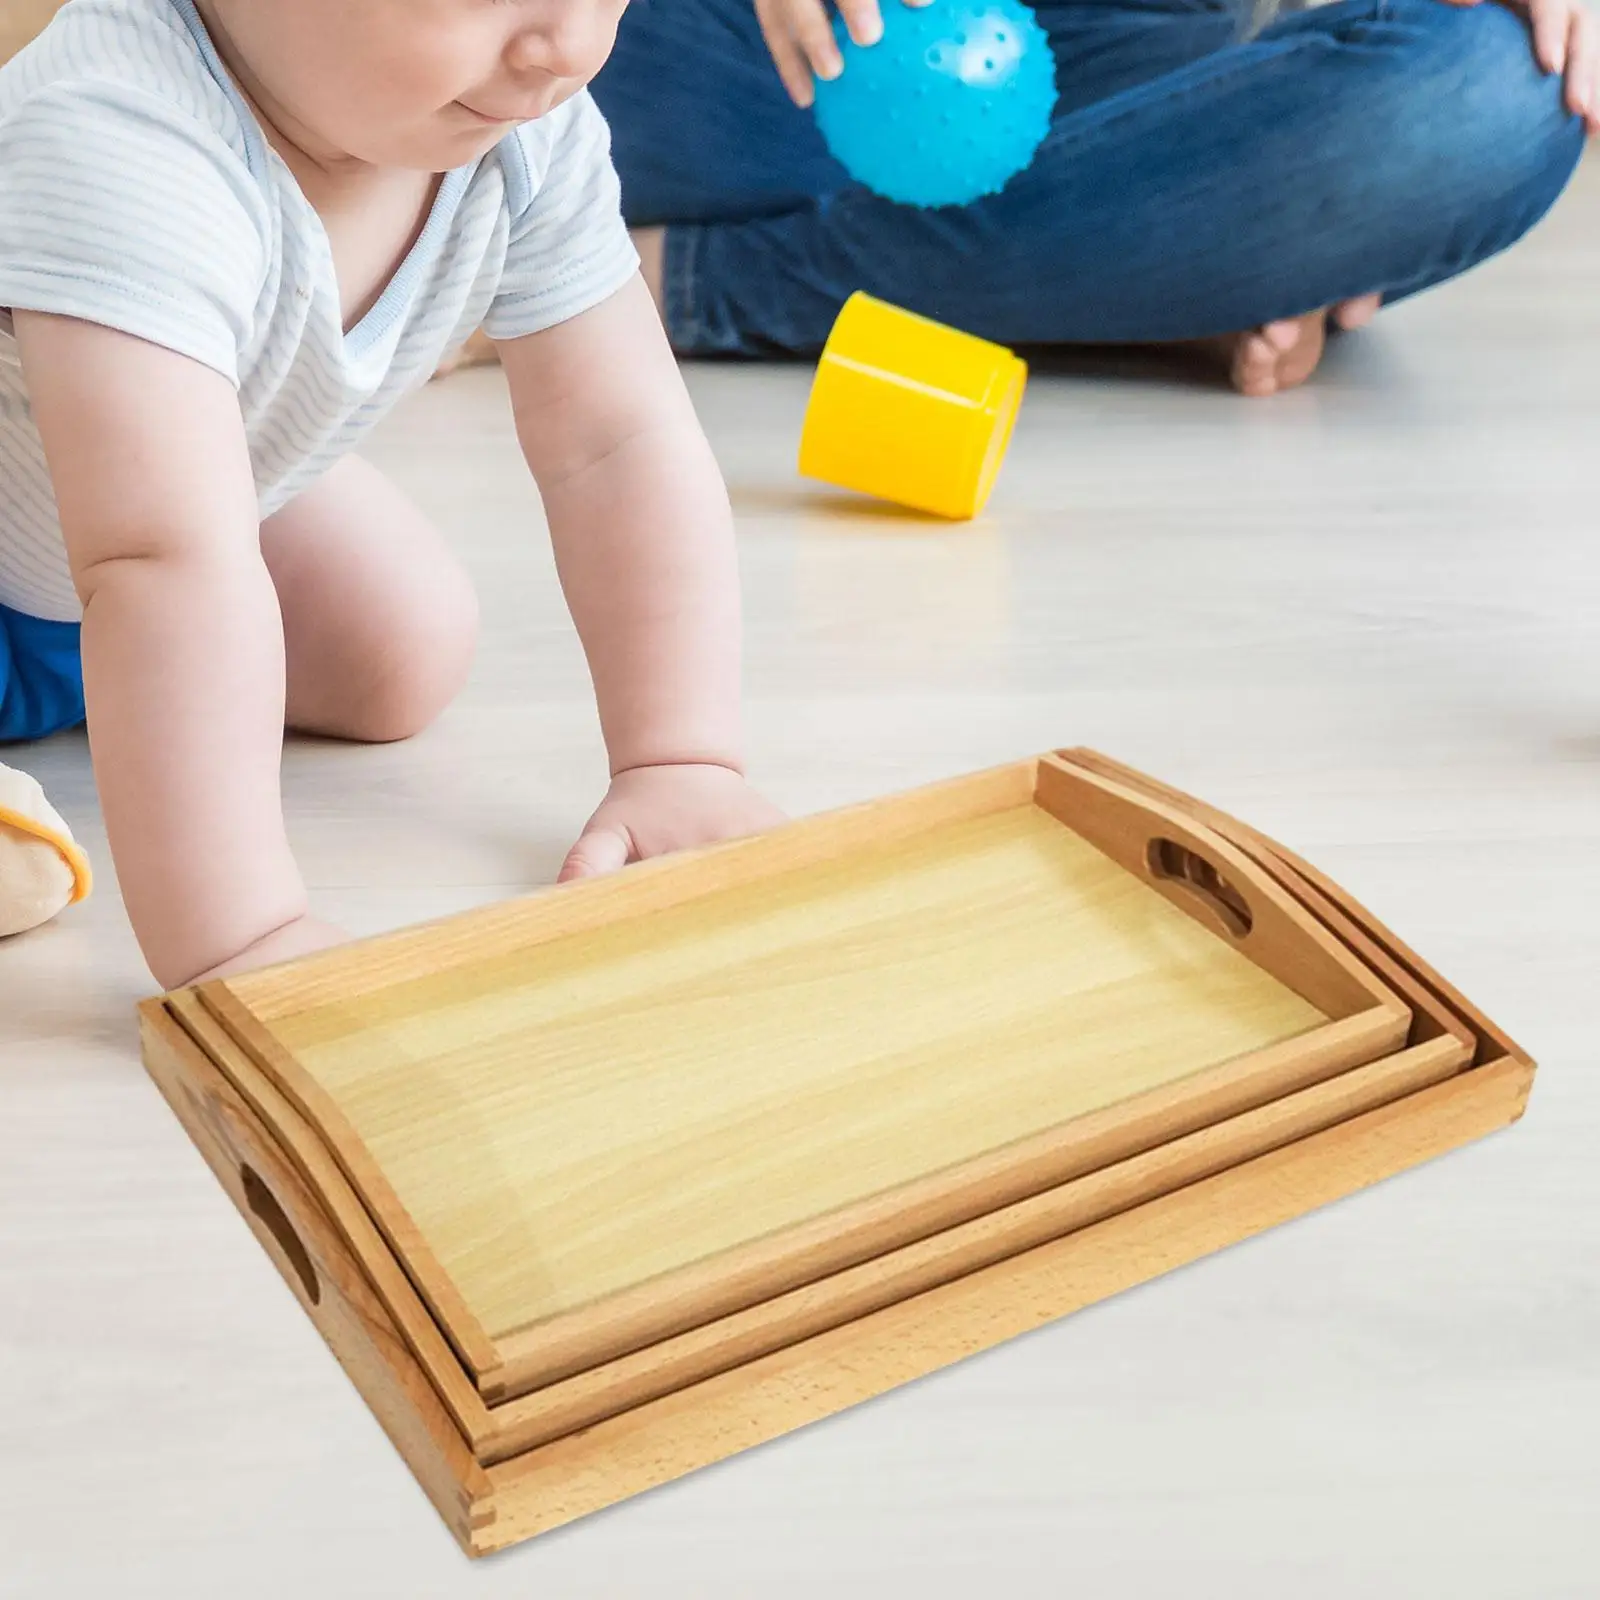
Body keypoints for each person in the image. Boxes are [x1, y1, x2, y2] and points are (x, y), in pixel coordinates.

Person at [0, 0, 780, 985]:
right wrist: (242, 933)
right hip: (107, 548)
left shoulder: (519, 133)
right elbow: (157, 563)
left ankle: (112, 681)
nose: (568, 47)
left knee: (402, 646)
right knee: (177, 571)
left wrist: (680, 759)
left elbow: (619, 441)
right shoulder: (115, 137)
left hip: (131, 534)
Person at [580, 0, 1592, 397]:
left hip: (1143, 45)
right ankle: (1130, 273)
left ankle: (653, 281)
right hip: (745, 33)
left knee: (1498, 92)